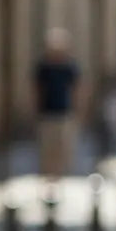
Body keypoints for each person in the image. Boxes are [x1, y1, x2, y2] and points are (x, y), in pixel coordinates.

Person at [34, 28, 82, 181]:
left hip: (64, 112)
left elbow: (77, 88)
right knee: (47, 147)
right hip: (47, 112)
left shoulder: (69, 66)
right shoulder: (44, 67)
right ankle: (48, 176)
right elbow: (37, 89)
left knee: (63, 147)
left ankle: (59, 175)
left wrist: (77, 109)